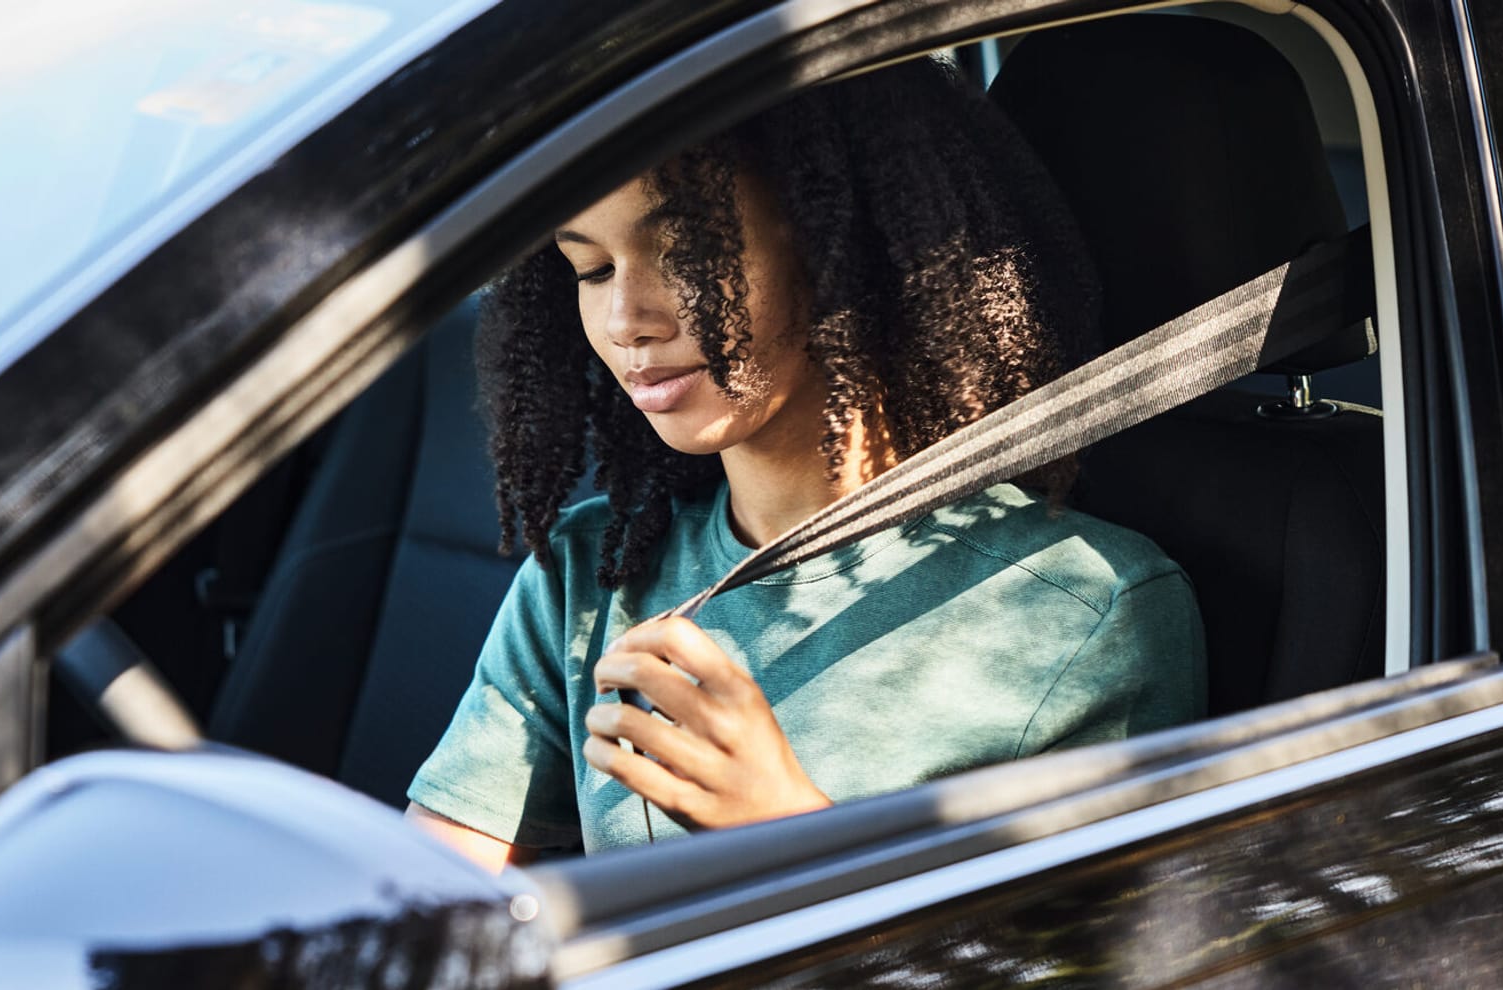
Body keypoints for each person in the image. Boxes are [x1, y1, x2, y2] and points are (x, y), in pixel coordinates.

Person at [404, 56, 1206, 871]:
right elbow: (427, 907)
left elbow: (1080, 956)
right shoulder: (585, 572)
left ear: (839, 240)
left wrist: (787, 832)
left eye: (688, 250)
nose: (625, 319)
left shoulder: (1087, 610)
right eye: (592, 268)